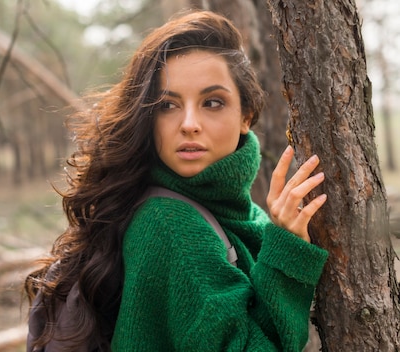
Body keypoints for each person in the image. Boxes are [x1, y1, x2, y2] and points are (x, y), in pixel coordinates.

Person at [24, 9, 328, 352]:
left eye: (212, 102)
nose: (189, 123)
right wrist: (286, 253)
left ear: (246, 115)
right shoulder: (172, 226)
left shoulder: (244, 216)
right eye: (167, 105)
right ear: (148, 118)